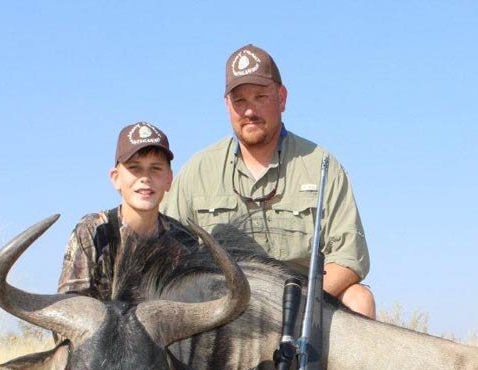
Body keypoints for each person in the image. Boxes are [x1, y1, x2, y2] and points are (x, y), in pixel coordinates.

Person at [161, 44, 375, 318]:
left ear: (282, 98)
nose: (249, 111)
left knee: (359, 298)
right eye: (239, 101)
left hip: (300, 308)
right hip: (223, 311)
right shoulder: (198, 170)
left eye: (260, 97)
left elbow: (348, 258)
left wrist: (294, 304)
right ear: (227, 105)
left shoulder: (322, 165)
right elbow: (169, 258)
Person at [47, 121, 197, 370]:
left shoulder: (186, 242)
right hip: (99, 355)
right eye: (134, 168)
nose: (145, 179)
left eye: (156, 169)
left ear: (169, 179)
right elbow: (67, 316)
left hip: (158, 357)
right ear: (115, 178)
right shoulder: (93, 230)